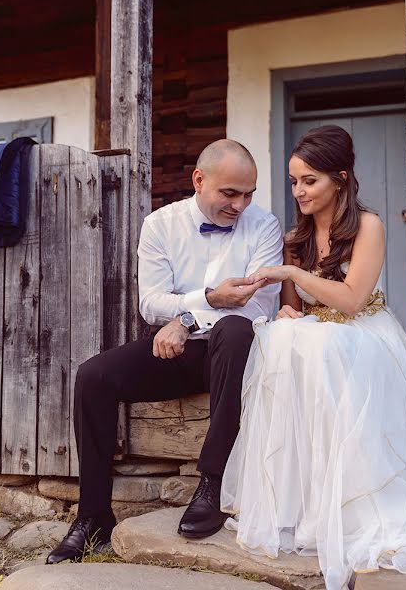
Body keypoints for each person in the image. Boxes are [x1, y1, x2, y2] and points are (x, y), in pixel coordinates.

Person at [220, 125, 406, 590]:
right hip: (321, 334)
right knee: (278, 339)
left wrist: (290, 271)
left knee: (324, 345)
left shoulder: (368, 225)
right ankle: (306, 507)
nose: (299, 191)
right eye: (293, 181)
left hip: (364, 331)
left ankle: (357, 506)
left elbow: (350, 300)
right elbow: (294, 305)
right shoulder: (297, 235)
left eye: (310, 180)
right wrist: (286, 305)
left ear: (341, 178)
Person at [47, 139, 283, 564]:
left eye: (248, 194)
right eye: (229, 193)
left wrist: (188, 316)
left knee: (233, 330)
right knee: (93, 376)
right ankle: (93, 516)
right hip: (181, 352)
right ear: (199, 180)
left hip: (240, 356)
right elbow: (151, 303)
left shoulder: (263, 226)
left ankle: (211, 483)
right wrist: (208, 299)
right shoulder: (160, 224)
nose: (239, 205)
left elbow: (258, 307)